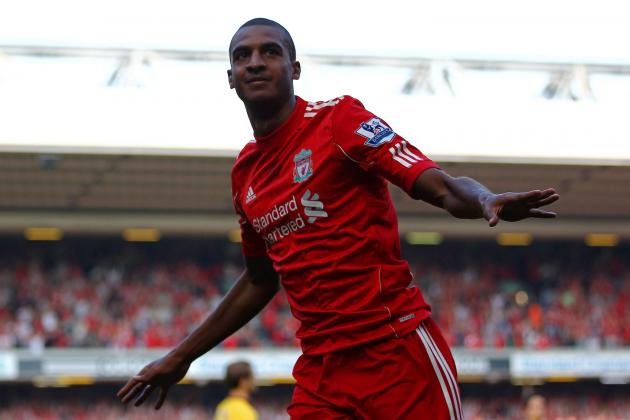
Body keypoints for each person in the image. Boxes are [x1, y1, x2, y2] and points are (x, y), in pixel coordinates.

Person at [117, 18, 559, 419]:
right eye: (242, 56)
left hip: (396, 351)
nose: (255, 62)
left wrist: (485, 199)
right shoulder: (245, 174)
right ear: (230, 78)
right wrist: (181, 356)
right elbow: (259, 279)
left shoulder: (338, 121)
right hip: (323, 373)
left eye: (270, 52)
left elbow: (438, 184)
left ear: (294, 69)